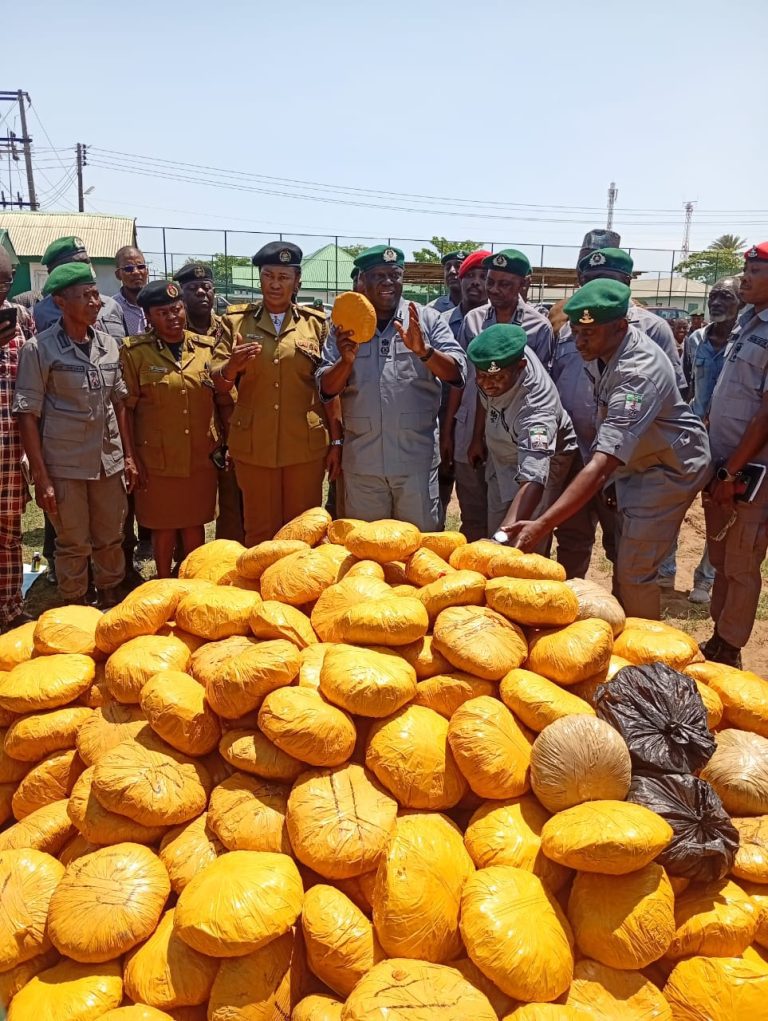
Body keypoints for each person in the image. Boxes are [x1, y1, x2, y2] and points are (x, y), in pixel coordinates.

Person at [505, 279, 711, 620]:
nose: (579, 340)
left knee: (634, 570)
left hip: (667, 469)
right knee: (625, 557)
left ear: (620, 327)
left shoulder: (637, 374)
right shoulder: (602, 349)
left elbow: (603, 461)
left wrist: (541, 524)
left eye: (589, 332)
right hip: (635, 461)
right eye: (575, 330)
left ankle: (647, 660)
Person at [551, 246, 686, 580]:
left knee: (625, 549)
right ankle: (570, 612)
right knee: (572, 538)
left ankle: (626, 618)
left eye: (607, 280)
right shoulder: (567, 323)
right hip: (577, 452)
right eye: (589, 280)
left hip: (628, 462)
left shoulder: (651, 329)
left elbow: (674, 394)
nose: (597, 289)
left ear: (626, 282)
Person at [14, 262, 137, 608]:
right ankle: (75, 604)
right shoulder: (39, 350)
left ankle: (110, 597)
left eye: (96, 294)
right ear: (60, 302)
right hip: (65, 465)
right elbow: (27, 414)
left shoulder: (110, 346)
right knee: (73, 542)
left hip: (107, 461)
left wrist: (127, 456)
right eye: (86, 295)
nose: (96, 302)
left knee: (111, 536)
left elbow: (120, 402)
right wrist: (41, 475)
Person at [318, 245, 465, 530]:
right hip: (363, 466)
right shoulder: (343, 324)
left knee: (419, 551)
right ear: (362, 280)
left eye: (395, 275)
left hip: (415, 464)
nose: (388, 282)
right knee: (365, 554)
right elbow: (326, 388)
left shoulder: (425, 319)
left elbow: (458, 374)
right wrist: (346, 362)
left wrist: (425, 352)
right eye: (379, 275)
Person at [212, 242, 342, 546]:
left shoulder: (317, 325)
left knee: (304, 533)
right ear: (259, 279)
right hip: (254, 444)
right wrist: (232, 367)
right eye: (268, 275)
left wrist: (336, 441)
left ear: (297, 281)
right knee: (259, 532)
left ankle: (298, 590)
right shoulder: (235, 322)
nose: (274, 284)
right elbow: (216, 382)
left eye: (283, 277)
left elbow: (330, 388)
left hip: (304, 447)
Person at [120, 280, 224, 578]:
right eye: (163, 312)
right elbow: (125, 409)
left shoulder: (205, 348)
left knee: (195, 523)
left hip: (199, 456)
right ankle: (164, 581)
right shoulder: (136, 353)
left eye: (176, 309)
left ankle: (193, 582)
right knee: (163, 526)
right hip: (156, 458)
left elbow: (220, 399)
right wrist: (130, 456)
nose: (173, 317)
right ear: (149, 318)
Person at [701, 243, 768, 667]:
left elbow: (765, 412)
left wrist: (733, 472)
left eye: (757, 270)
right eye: (746, 269)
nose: (745, 277)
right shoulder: (746, 323)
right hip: (724, 462)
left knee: (742, 560)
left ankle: (731, 647)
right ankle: (717, 634)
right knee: (721, 555)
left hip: (751, 469)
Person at [661, 279, 741, 603]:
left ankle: (704, 581)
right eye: (713, 296)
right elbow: (684, 386)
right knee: (672, 505)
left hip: (728, 444)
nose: (717, 302)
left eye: (726, 296)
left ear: (741, 303)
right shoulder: (695, 340)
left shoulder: (743, 343)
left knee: (718, 510)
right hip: (691, 440)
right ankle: (665, 573)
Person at [466, 324, 577, 544]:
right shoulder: (500, 355)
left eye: (496, 378)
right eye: (481, 376)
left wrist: (502, 540)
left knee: (527, 535)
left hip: (543, 459)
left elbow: (533, 480)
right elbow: (485, 397)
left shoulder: (537, 411)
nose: (488, 383)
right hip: (502, 453)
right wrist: (477, 437)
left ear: (521, 366)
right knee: (498, 522)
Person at [172, 261, 244, 543]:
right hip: (191, 423)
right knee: (187, 501)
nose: (201, 292)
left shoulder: (228, 326)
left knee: (231, 496)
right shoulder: (174, 328)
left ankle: (229, 552)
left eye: (207, 287)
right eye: (192, 288)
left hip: (227, 420)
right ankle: (185, 557)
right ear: (180, 293)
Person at [440, 249, 491, 539]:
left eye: (482, 277)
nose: (475, 282)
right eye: (469, 276)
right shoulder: (441, 321)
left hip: (486, 427)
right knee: (438, 499)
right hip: (446, 422)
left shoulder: (502, 321)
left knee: (489, 507)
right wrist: (444, 431)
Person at [0, 250, 34, 630]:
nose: (1, 289)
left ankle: (9, 609)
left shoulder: (21, 318)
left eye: (6, 281)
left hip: (10, 449)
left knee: (9, 535)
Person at [33, 236, 127, 339]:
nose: (83, 269)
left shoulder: (112, 306)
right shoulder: (38, 313)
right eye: (75, 265)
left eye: (86, 262)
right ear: (53, 273)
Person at [113, 246, 149, 335]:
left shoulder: (159, 302)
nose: (136, 272)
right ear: (118, 275)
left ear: (147, 271)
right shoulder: (112, 308)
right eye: (128, 268)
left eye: (140, 267)